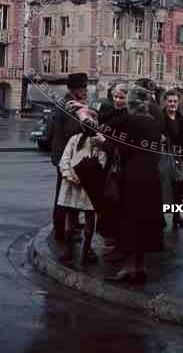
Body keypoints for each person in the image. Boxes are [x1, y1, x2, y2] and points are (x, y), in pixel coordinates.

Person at [105, 86, 164, 284]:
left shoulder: (129, 120)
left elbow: (106, 131)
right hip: (152, 178)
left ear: (130, 105)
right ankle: (140, 266)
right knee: (145, 223)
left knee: (129, 223)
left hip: (132, 177)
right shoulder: (155, 123)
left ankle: (129, 268)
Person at [57, 107, 106, 266]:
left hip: (90, 186)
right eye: (85, 121)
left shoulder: (99, 141)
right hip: (73, 184)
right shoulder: (75, 139)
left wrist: (89, 176)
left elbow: (102, 162)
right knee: (70, 217)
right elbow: (64, 160)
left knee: (90, 216)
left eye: (92, 121)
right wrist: (71, 175)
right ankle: (68, 249)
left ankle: (86, 249)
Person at [47, 72, 88, 242]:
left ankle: (68, 228)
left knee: (65, 195)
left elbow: (49, 132)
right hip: (68, 159)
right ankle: (61, 232)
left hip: (61, 157)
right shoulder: (71, 106)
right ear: (74, 90)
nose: (85, 91)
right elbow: (74, 134)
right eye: (83, 88)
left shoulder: (61, 103)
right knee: (64, 197)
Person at [98, 83, 129, 260]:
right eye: (115, 96)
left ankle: (116, 241)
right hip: (107, 162)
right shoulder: (108, 111)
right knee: (107, 201)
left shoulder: (127, 117)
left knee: (115, 200)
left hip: (119, 164)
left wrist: (104, 142)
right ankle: (109, 240)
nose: (117, 100)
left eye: (121, 97)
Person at [161, 89, 183, 229]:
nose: (172, 104)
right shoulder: (160, 118)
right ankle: (160, 217)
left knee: (178, 188)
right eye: (170, 101)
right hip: (164, 157)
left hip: (178, 157)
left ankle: (177, 217)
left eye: (175, 101)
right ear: (165, 102)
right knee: (164, 189)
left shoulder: (180, 118)